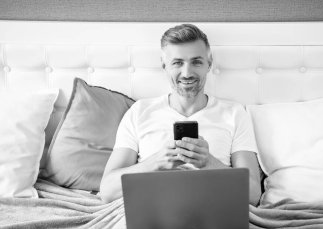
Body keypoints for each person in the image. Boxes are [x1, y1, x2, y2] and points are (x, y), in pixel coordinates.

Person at [99, 24, 262, 205]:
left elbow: (253, 195)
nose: (187, 73)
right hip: (152, 212)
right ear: (164, 66)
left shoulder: (234, 114)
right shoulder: (139, 112)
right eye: (177, 63)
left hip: (211, 212)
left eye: (196, 62)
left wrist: (209, 163)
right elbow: (107, 191)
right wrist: (155, 163)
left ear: (209, 64)